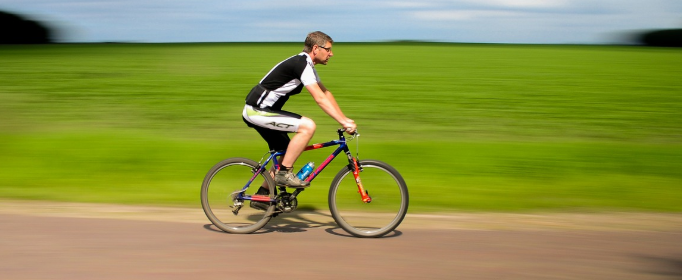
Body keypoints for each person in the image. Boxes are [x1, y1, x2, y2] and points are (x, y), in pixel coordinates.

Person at [242, 31, 357, 192]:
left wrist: (345, 118)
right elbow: (319, 98)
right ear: (316, 48)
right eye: (329, 49)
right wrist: (343, 122)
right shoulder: (301, 64)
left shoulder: (307, 65)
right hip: (256, 111)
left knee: (287, 152)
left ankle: (263, 195)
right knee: (308, 126)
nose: (331, 53)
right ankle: (284, 174)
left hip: (264, 112)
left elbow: (326, 93)